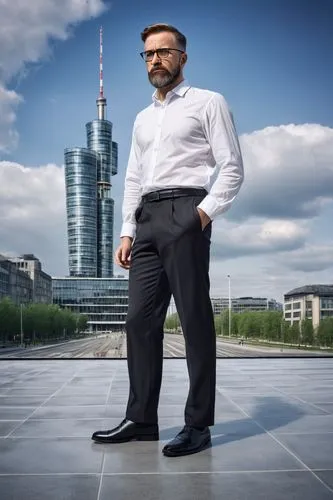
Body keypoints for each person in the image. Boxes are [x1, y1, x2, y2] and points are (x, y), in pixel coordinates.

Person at [92, 23, 244, 457]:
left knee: (195, 321)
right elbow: (134, 177)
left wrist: (200, 215)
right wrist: (126, 230)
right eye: (148, 54)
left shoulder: (208, 103)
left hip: (186, 210)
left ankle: (198, 425)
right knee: (139, 321)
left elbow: (232, 167)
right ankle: (141, 419)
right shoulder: (143, 118)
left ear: (182, 57)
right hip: (146, 218)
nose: (155, 59)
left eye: (164, 51)